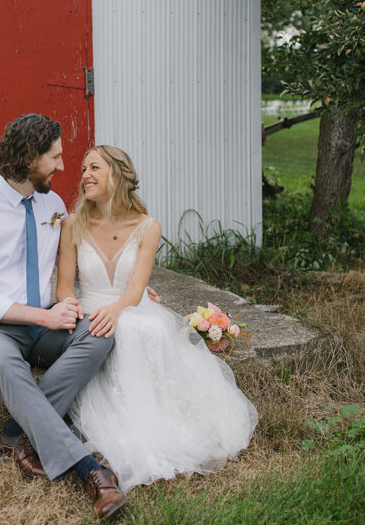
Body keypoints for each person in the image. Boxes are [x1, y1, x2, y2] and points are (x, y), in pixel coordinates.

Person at [0, 113, 126, 520]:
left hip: (43, 323)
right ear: (30, 158)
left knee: (100, 335)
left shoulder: (51, 205)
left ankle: (16, 434)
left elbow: (85, 251)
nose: (64, 166)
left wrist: (128, 287)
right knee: (5, 363)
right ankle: (90, 471)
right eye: (55, 157)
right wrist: (45, 317)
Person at [62, 145, 258, 489]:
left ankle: (160, 421)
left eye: (94, 168)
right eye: (82, 170)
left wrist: (118, 308)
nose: (84, 176)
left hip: (129, 305)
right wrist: (71, 306)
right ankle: (127, 423)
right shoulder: (73, 225)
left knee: (144, 329)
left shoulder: (147, 227)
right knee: (112, 332)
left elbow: (136, 290)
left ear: (117, 175)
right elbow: (63, 287)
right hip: (90, 308)